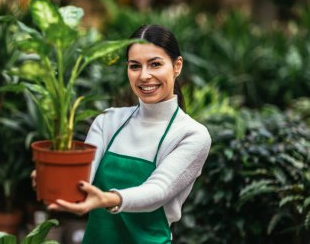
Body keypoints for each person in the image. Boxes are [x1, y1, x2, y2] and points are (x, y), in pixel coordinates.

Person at [32, 24, 211, 243]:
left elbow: (158, 191)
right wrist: (52, 177)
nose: (144, 76)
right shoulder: (108, 121)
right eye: (135, 66)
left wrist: (107, 198)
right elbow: (82, 180)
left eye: (155, 64)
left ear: (177, 66)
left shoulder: (191, 135)